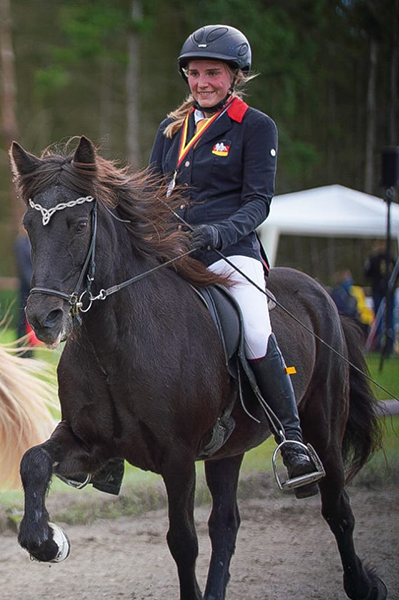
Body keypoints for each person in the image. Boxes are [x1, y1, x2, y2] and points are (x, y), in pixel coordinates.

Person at [148, 24, 323, 492]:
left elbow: (258, 202)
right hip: (173, 251)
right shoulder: (171, 129)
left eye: (213, 73)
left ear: (235, 76)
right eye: (195, 73)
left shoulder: (256, 126)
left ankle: (291, 440)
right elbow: (149, 191)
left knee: (255, 328)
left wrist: (217, 232)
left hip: (230, 253)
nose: (202, 82)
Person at [363, 241, 394, 347]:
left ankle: (389, 344)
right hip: (379, 290)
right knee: (380, 320)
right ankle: (380, 344)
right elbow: (367, 274)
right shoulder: (373, 259)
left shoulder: (390, 258)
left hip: (387, 291)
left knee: (389, 319)